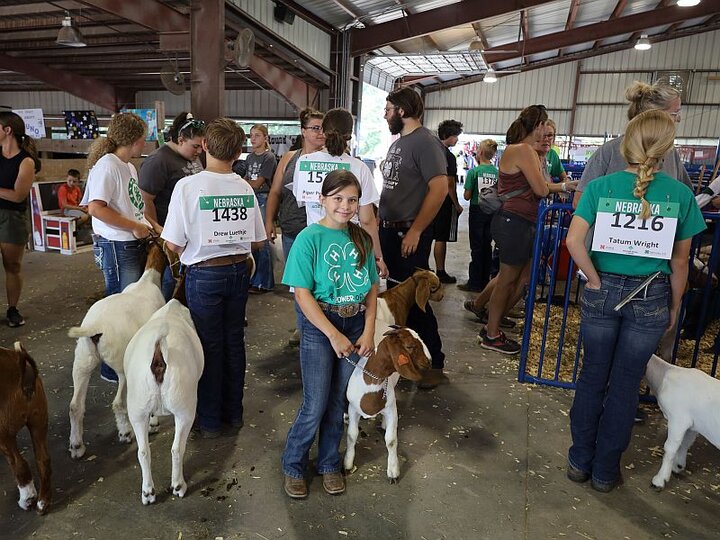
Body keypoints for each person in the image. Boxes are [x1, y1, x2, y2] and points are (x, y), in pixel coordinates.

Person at [565, 110, 705, 492]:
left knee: (592, 375)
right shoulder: (680, 195)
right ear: (666, 148)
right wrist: (674, 305)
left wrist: (593, 279)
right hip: (651, 294)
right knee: (626, 384)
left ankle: (580, 460)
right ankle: (605, 472)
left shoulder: (601, 187)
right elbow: (680, 260)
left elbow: (574, 241)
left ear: (627, 141)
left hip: (602, 291)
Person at [162, 118, 266, 438]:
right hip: (238, 272)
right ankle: (233, 413)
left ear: (204, 146)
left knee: (207, 345)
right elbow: (259, 241)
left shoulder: (188, 187)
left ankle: (208, 420)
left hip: (204, 275)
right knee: (234, 342)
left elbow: (172, 243)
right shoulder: (244, 187)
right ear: (238, 152)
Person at [281, 169, 378, 499]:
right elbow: (302, 293)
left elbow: (372, 289)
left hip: (354, 324)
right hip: (321, 327)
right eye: (338, 198)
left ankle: (329, 463)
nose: (346, 206)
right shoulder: (310, 238)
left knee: (339, 401)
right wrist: (333, 334)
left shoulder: (362, 238)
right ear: (322, 200)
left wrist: (368, 331)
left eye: (352, 199)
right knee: (316, 401)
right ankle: (294, 464)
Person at [478, 106, 576, 355]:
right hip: (514, 221)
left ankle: (493, 326)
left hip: (521, 221)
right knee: (507, 280)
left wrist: (560, 184)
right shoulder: (522, 150)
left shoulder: (524, 151)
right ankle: (491, 334)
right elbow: (541, 190)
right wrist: (562, 185)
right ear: (539, 125)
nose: (547, 133)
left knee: (514, 279)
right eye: (545, 126)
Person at [379, 87, 448, 389]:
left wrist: (417, 230)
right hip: (390, 230)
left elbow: (440, 188)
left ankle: (434, 364)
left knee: (415, 301)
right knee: (398, 300)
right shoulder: (401, 142)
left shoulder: (425, 143)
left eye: (388, 108)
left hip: (407, 231)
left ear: (402, 111)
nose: (385, 114)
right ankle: (406, 358)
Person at [83, 112, 152, 382]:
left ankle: (123, 360)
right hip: (116, 244)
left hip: (128, 241)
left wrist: (150, 225)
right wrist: (134, 227)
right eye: (143, 139)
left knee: (129, 304)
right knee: (118, 308)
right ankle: (110, 368)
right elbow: (95, 208)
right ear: (134, 140)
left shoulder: (128, 167)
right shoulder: (108, 165)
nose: (145, 143)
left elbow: (133, 208)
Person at [293, 108, 388, 278]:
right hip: (350, 249)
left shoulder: (304, 162)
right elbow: (367, 220)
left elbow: (301, 203)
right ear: (350, 135)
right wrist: (377, 255)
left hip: (315, 245)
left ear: (323, 131)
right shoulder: (359, 168)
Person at [574, 80, 690, 210]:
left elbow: (685, 200)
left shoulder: (671, 154)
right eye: (674, 114)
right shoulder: (609, 151)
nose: (678, 120)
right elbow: (579, 201)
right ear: (655, 116)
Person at [139, 112, 205, 300]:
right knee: (169, 277)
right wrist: (157, 230)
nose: (199, 151)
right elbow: (145, 199)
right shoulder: (158, 161)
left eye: (201, 147)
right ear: (180, 139)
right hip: (167, 232)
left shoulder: (191, 157)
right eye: (195, 146)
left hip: (189, 231)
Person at [265, 108, 325, 261]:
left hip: (322, 233)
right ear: (303, 131)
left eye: (324, 128)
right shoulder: (289, 157)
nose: (321, 132)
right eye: (315, 128)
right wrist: (269, 220)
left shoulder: (331, 160)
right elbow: (275, 192)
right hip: (291, 230)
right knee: (294, 281)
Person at [0, 111, 41, 327]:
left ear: (7, 131)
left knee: (12, 265)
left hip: (12, 217)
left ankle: (13, 309)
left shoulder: (26, 161)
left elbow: (18, 195)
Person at [241, 124, 277, 294]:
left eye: (256, 135)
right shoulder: (249, 158)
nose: (253, 139)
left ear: (265, 138)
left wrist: (241, 183)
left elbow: (257, 183)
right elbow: (247, 179)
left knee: (262, 241)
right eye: (251, 135)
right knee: (253, 240)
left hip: (263, 198)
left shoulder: (269, 158)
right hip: (251, 198)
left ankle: (265, 281)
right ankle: (255, 278)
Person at [459, 139, 498, 293]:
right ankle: (485, 280)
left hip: (478, 210)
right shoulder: (497, 172)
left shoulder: (474, 172)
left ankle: (474, 282)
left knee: (476, 246)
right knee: (487, 245)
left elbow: (467, 196)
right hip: (493, 211)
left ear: (479, 152)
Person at [431, 120, 464, 284]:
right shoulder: (448, 156)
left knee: (427, 233)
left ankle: (423, 267)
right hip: (443, 200)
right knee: (441, 237)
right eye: (456, 136)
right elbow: (450, 184)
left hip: (427, 199)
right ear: (449, 136)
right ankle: (441, 271)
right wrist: (457, 205)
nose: (457, 140)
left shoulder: (430, 151)